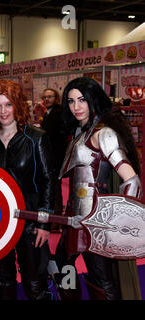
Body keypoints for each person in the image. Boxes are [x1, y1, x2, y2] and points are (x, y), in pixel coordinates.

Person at [54, 77, 142, 300]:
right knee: (61, 266)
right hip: (74, 218)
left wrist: (118, 221)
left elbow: (131, 181)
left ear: (93, 99)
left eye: (82, 100)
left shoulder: (104, 134)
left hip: (96, 223)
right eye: (71, 101)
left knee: (101, 279)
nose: (76, 107)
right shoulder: (81, 133)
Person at [0, 79, 56, 300]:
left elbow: (48, 181)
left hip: (31, 219)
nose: (3, 111)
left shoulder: (36, 138)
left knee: (34, 282)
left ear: (18, 105)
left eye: (8, 104)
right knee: (3, 280)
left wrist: (44, 223)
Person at [39, 88, 69, 216]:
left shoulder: (58, 113)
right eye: (45, 97)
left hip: (56, 156)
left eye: (50, 97)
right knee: (53, 186)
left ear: (56, 98)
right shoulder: (48, 113)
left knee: (54, 186)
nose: (47, 99)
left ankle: (55, 217)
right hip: (52, 155)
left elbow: (54, 135)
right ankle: (55, 215)